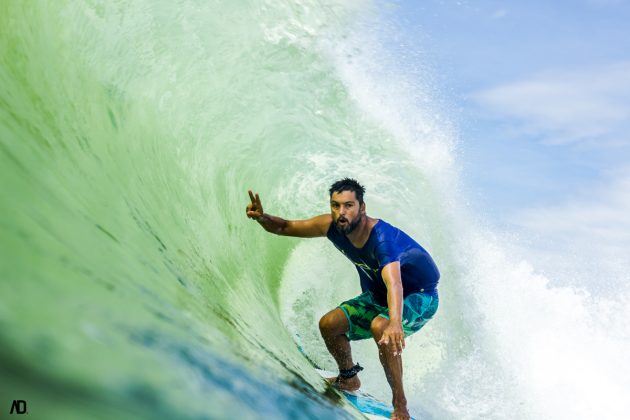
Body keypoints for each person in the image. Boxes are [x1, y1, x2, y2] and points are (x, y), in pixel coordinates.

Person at [245, 178, 440, 420]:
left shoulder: (382, 239)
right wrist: (263, 218)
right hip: (378, 296)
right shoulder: (331, 227)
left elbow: (395, 283)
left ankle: (401, 406)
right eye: (335, 205)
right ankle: (348, 378)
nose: (341, 212)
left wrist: (395, 322)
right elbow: (286, 227)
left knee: (382, 326)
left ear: (362, 207)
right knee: (330, 324)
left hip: (420, 296)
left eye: (348, 205)